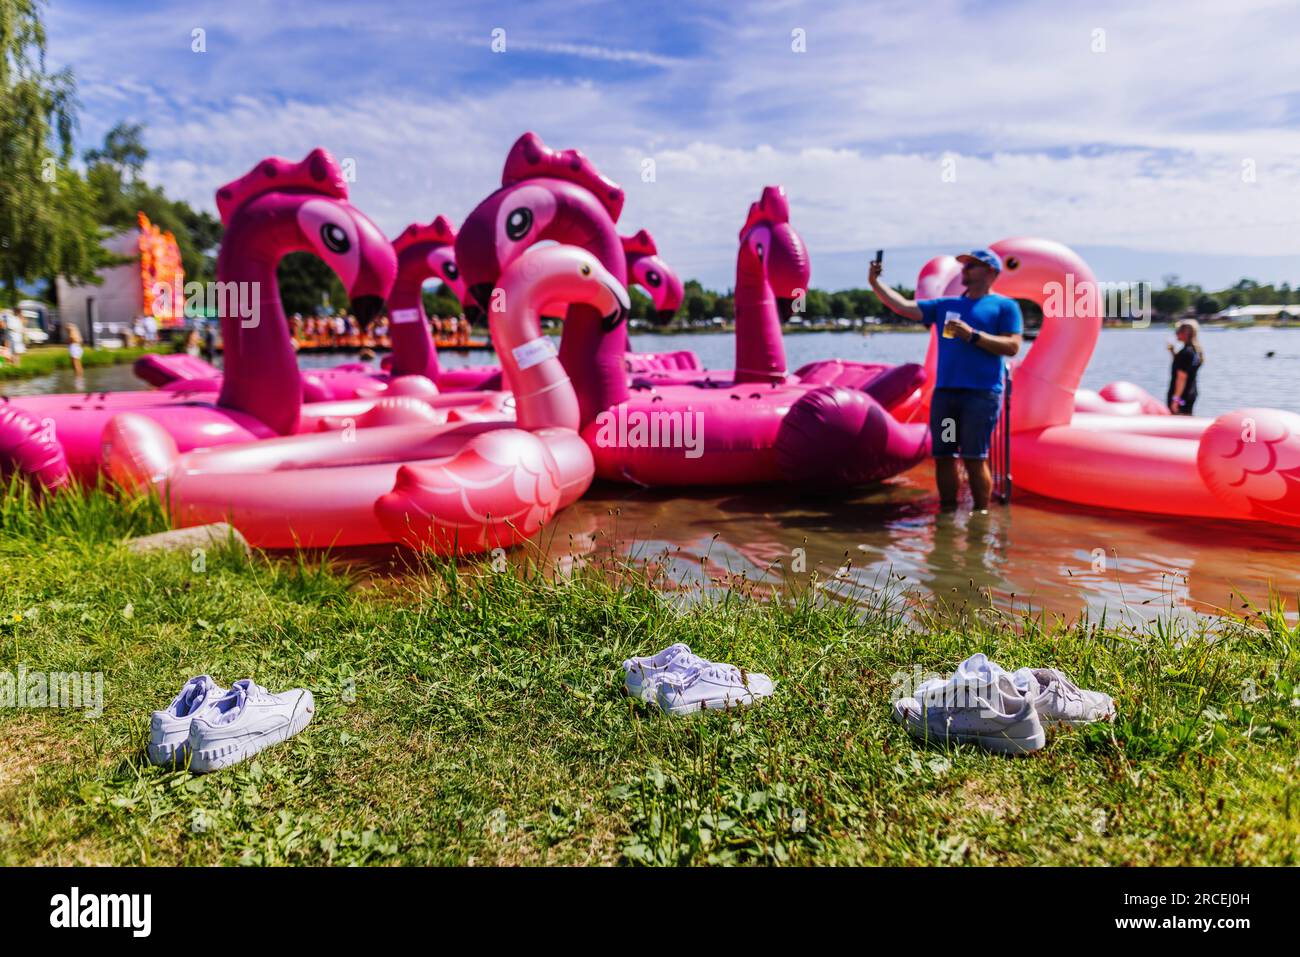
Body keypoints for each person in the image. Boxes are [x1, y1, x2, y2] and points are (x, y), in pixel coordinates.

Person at [869, 248, 1023, 511]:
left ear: (991, 272)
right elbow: (903, 307)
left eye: (972, 266)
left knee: (974, 458)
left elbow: (1012, 346)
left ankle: (980, 518)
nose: (964, 270)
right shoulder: (946, 306)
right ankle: (948, 514)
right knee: (945, 456)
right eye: (963, 266)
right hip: (947, 397)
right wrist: (875, 283)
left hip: (981, 396)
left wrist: (973, 335)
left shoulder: (1005, 306)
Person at [1166, 318, 1203, 415]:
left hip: (1181, 398)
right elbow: (1186, 367)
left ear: (1185, 333)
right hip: (1190, 394)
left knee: (1176, 422)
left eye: (1178, 331)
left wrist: (1175, 400)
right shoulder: (1195, 352)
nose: (1176, 334)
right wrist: (1173, 352)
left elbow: (1182, 378)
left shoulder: (1186, 353)